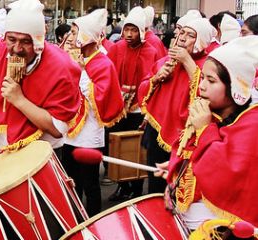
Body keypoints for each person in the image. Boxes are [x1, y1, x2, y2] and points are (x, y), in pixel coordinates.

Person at [157, 36, 258, 235]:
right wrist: (177, 166)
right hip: (187, 222)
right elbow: (196, 157)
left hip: (219, 230)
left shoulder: (252, 123)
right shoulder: (211, 112)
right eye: (202, 77)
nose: (201, 86)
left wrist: (204, 129)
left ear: (235, 88)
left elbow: (225, 174)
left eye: (211, 80)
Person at [0, 0, 81, 155]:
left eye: (26, 41)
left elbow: (57, 129)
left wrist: (19, 99)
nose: (16, 49)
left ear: (39, 41)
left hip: (39, 152)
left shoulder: (62, 66)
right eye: (11, 39)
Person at [139, 18, 215, 195]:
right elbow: (143, 90)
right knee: (155, 185)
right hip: (157, 131)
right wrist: (156, 78)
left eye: (190, 35)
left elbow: (204, 96)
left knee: (178, 189)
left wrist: (187, 62)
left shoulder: (209, 65)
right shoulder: (165, 61)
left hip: (185, 137)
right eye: (181, 32)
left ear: (201, 40)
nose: (182, 38)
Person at [62, 9, 124, 216]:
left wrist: (81, 72)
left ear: (84, 36)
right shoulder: (78, 58)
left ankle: (94, 221)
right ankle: (73, 218)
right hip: (70, 131)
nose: (70, 37)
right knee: (71, 181)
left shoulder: (103, 62)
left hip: (89, 133)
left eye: (73, 32)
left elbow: (99, 96)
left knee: (90, 184)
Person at [104, 6, 159, 201]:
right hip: (119, 106)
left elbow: (154, 79)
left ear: (141, 31)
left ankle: (135, 187)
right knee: (117, 147)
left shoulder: (151, 50)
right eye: (126, 29)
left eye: (133, 30)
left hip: (138, 108)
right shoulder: (116, 48)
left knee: (134, 148)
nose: (128, 34)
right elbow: (108, 75)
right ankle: (121, 185)